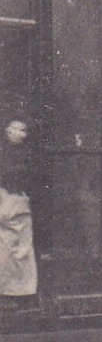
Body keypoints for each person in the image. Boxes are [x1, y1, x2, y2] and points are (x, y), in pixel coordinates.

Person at [0, 118, 37, 301]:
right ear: (7, 131)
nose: (21, 133)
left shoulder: (28, 154)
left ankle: (22, 291)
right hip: (5, 199)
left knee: (22, 247)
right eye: (16, 129)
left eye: (24, 130)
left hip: (20, 201)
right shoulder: (2, 153)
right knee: (6, 247)